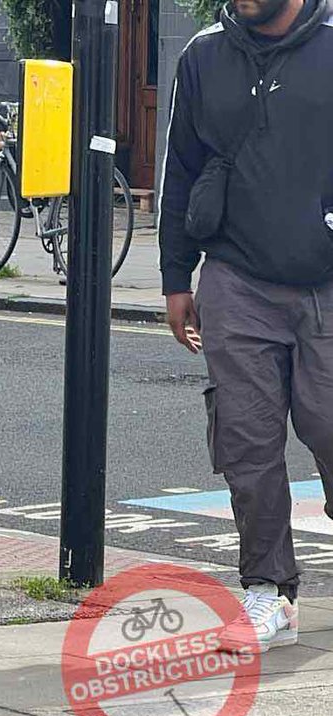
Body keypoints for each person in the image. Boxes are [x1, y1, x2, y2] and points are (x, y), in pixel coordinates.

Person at [160, 0, 333, 652]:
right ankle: (269, 592)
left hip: (327, 279)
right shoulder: (203, 56)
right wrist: (177, 278)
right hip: (235, 278)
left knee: (328, 421)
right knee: (246, 441)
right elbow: (180, 168)